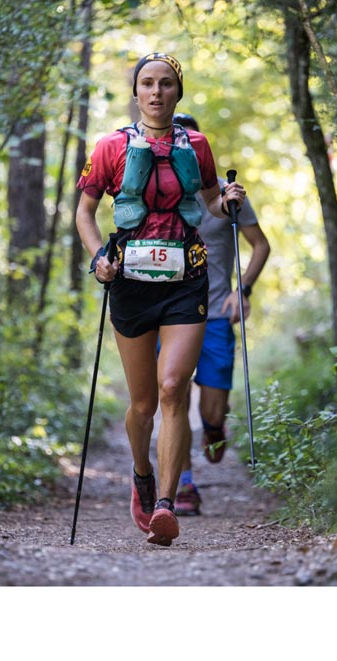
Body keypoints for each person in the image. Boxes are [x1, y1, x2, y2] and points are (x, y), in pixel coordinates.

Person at [75, 53, 246, 546]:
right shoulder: (110, 147)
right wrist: (98, 258)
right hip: (130, 282)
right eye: (147, 83)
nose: (156, 92)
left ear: (178, 91)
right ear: (136, 92)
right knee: (143, 403)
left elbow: (211, 202)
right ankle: (142, 475)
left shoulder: (197, 145)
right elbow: (85, 212)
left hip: (186, 277)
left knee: (173, 387)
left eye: (166, 83)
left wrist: (228, 201)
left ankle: (166, 506)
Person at [169, 113, 271, 516]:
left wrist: (242, 289)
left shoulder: (226, 195)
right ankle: (184, 485)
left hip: (214, 314)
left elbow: (260, 245)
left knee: (211, 413)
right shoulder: (154, 190)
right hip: (168, 314)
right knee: (173, 397)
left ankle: (214, 427)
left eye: (193, 143)